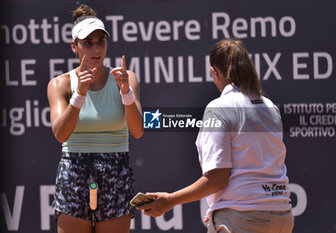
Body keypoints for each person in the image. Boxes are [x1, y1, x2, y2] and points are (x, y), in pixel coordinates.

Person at [137, 38, 294, 233]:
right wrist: (220, 206)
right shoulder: (271, 108)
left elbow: (218, 178)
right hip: (282, 218)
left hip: (244, 219)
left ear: (214, 73)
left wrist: (169, 200)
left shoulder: (219, 108)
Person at [47, 4, 143, 233]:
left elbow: (138, 130)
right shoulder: (59, 84)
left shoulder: (127, 78)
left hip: (115, 171)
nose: (96, 48)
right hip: (74, 171)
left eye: (101, 41)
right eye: (87, 43)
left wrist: (125, 92)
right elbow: (61, 134)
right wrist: (79, 94)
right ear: (74, 47)